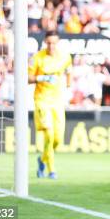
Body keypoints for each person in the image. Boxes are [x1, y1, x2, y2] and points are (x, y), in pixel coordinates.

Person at [28, 31, 72, 179]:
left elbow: (69, 70)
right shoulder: (37, 58)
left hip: (58, 101)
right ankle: (52, 170)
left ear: (57, 42)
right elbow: (27, 78)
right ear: (45, 42)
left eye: (54, 43)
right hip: (42, 100)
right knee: (49, 134)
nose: (51, 46)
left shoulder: (65, 57)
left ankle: (41, 159)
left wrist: (69, 84)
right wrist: (43, 77)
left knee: (58, 139)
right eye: (49, 43)